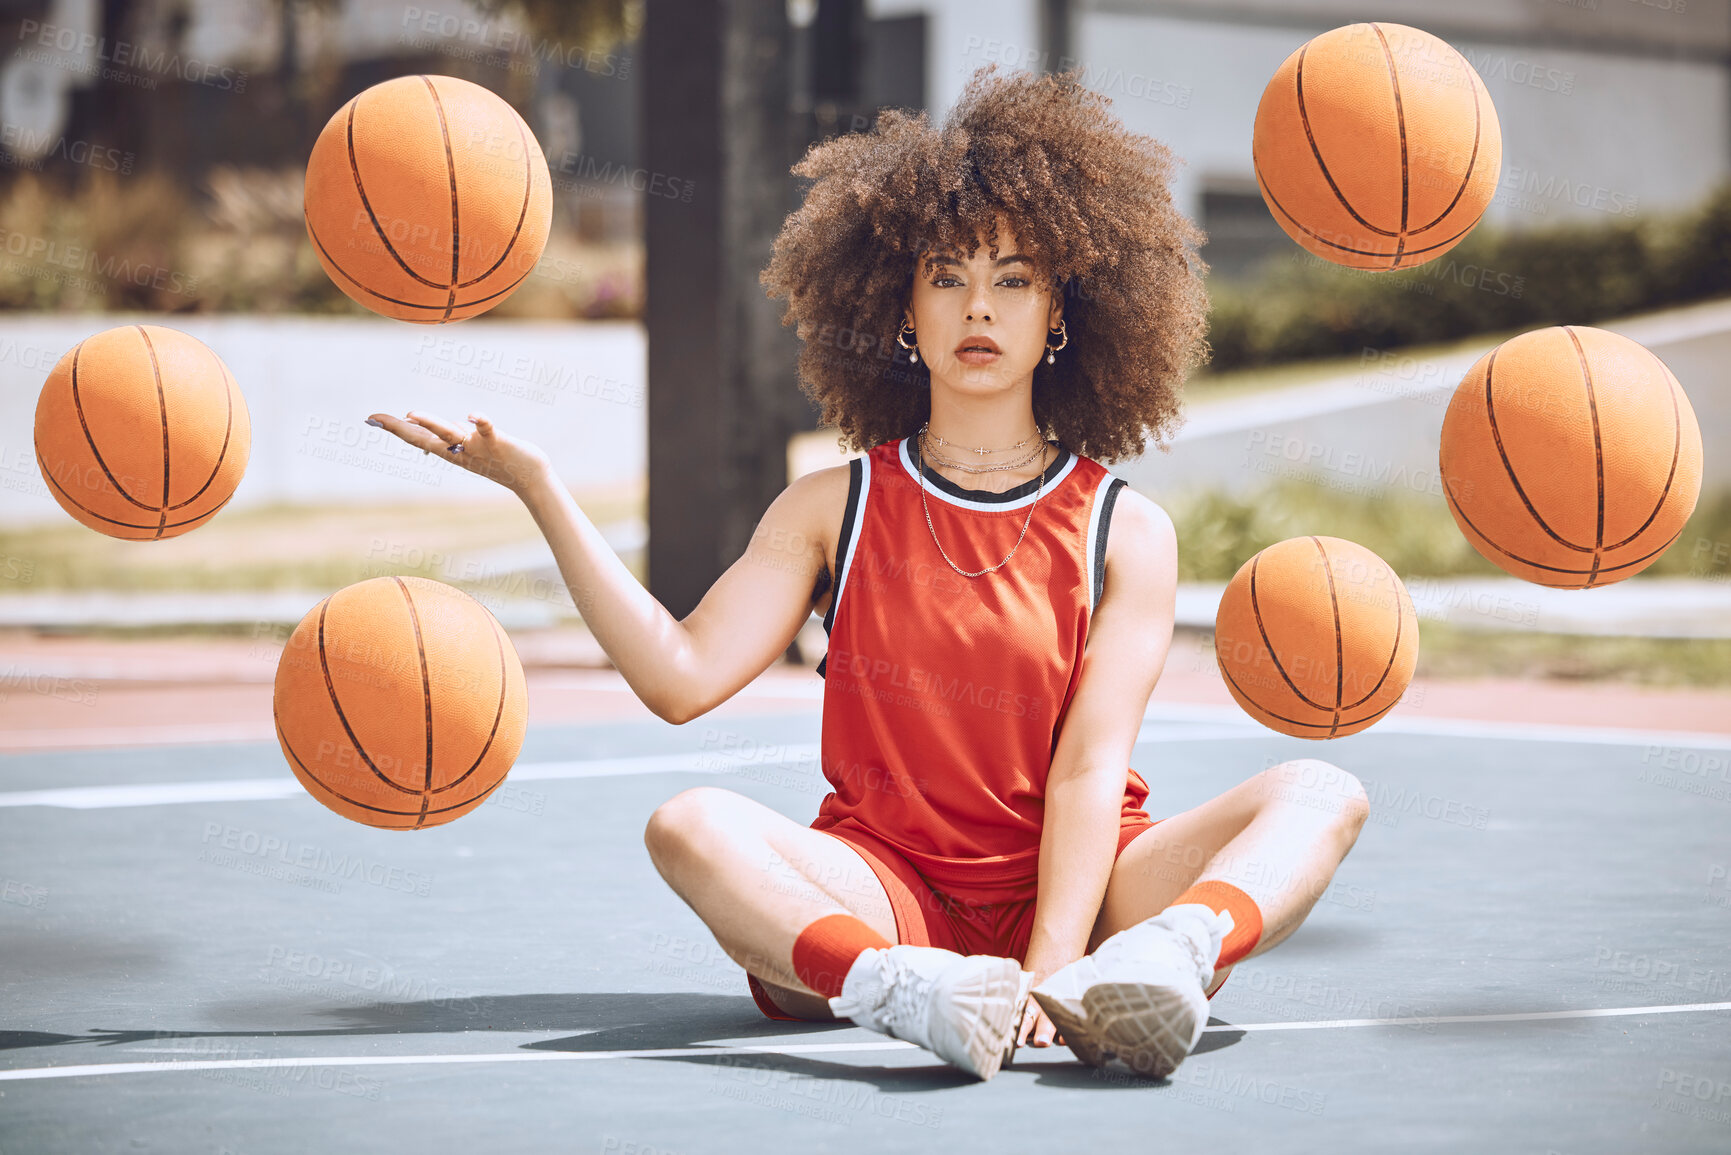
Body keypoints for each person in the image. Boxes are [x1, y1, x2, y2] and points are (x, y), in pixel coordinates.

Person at [366, 63, 1369, 1083]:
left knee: (1319, 788)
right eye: (947, 277)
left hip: (1094, 891)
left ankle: (1168, 956)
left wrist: (1055, 961)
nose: (979, 307)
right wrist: (539, 489)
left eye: (1014, 280)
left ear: (1060, 316)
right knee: (688, 826)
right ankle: (901, 991)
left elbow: (1086, 767)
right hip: (887, 889)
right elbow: (677, 678)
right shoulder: (828, 509)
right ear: (902, 310)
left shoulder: (1126, 529)